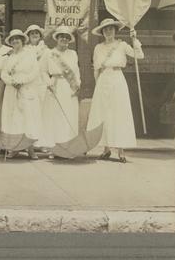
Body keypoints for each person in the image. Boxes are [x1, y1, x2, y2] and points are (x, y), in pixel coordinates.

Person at [86, 18, 144, 163]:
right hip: (103, 80)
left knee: (119, 112)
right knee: (103, 113)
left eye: (111, 29)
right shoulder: (98, 48)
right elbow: (96, 69)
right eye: (105, 29)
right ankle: (106, 149)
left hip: (117, 79)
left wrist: (135, 40)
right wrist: (97, 84)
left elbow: (139, 55)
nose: (108, 32)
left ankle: (121, 150)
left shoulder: (122, 45)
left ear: (115, 30)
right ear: (102, 32)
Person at [0, 29, 44, 159]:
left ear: (22, 40)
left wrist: (22, 81)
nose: (15, 41)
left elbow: (35, 71)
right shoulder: (9, 56)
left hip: (26, 89)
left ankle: (30, 149)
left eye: (17, 39)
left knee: (27, 118)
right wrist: (11, 81)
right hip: (11, 89)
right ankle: (14, 148)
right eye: (12, 39)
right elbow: (3, 73)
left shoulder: (29, 55)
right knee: (13, 119)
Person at [41, 26, 80, 155]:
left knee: (68, 114)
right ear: (57, 38)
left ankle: (67, 145)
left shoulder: (73, 54)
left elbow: (76, 72)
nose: (64, 39)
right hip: (55, 86)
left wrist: (77, 85)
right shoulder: (49, 53)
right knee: (53, 116)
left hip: (69, 86)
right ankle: (53, 146)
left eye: (67, 37)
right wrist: (48, 83)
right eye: (61, 36)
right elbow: (43, 71)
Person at [25, 24, 50, 152]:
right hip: (29, 84)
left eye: (37, 33)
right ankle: (30, 142)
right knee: (30, 113)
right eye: (32, 33)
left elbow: (49, 68)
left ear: (40, 35)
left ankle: (42, 142)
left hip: (41, 83)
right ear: (28, 36)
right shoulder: (25, 50)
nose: (34, 35)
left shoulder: (46, 50)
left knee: (42, 112)